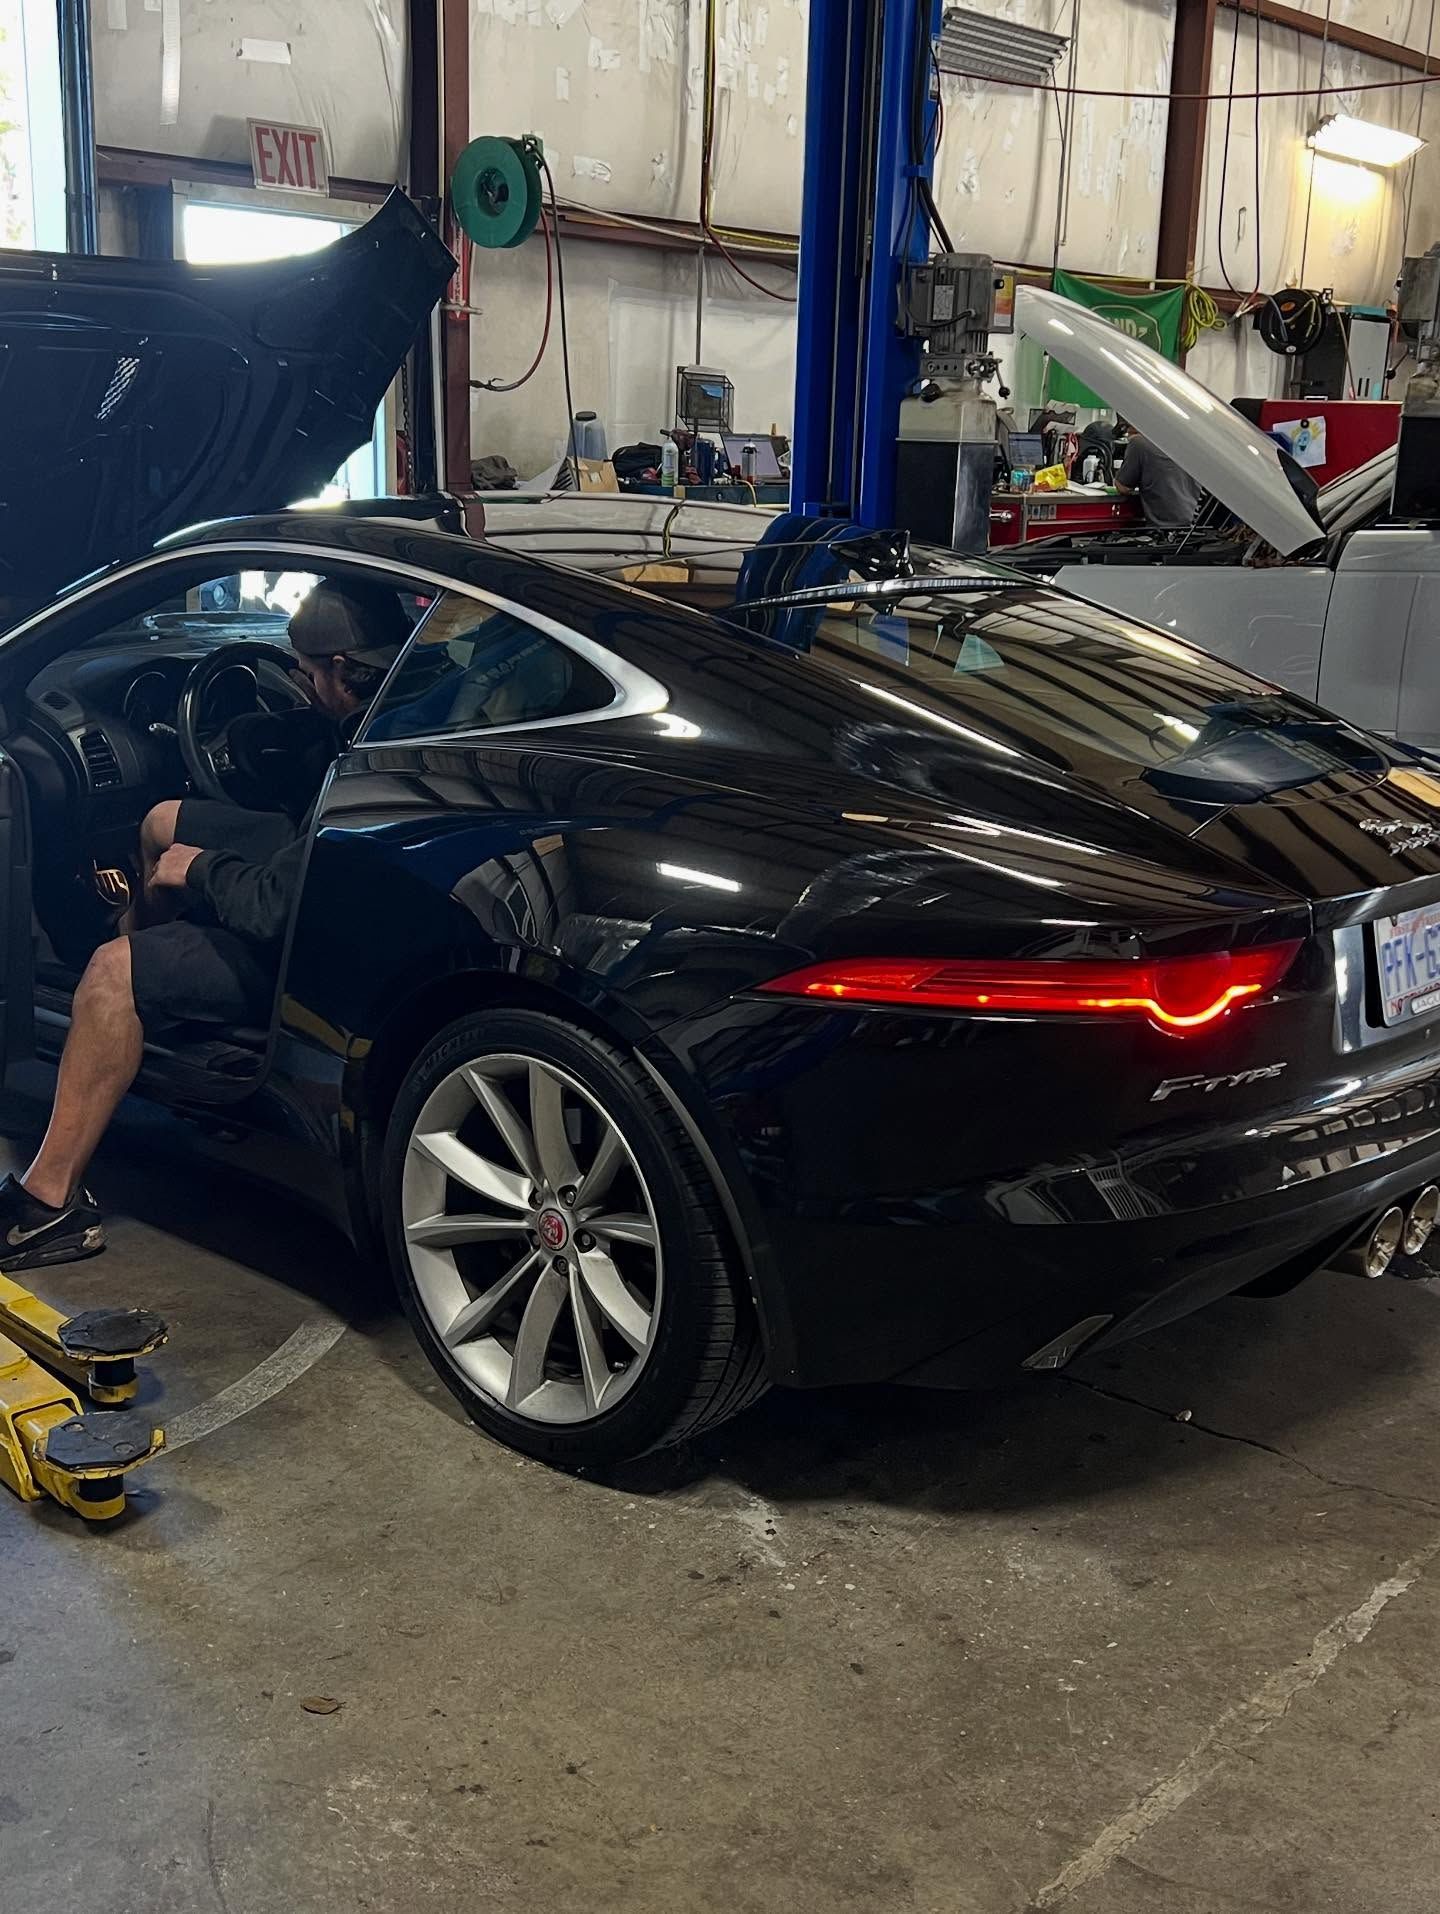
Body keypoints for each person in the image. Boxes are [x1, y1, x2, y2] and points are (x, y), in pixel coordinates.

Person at [0, 579, 409, 1270]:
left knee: (111, 969)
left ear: (341, 667)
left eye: (309, 674)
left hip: (312, 942)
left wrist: (200, 871)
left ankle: (47, 1208)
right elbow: (295, 841)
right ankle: (122, 1032)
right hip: (320, 869)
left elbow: (279, 907)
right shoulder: (395, 703)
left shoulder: (361, 758)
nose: (304, 688)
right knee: (161, 821)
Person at [1114, 423, 1205, 530]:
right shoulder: (1188, 441)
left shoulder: (1139, 443)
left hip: (1166, 529)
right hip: (1198, 523)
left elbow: (1123, 487)